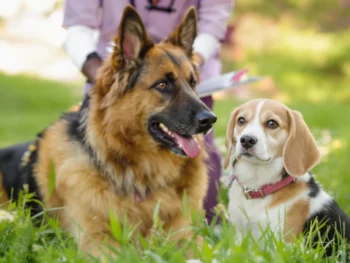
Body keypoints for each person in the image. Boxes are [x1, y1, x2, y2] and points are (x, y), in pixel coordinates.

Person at [63, 0, 234, 224]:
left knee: (205, 208)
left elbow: (214, 19)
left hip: (189, 65)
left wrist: (188, 61)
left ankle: (207, 227)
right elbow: (78, 26)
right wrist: (107, 78)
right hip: (114, 80)